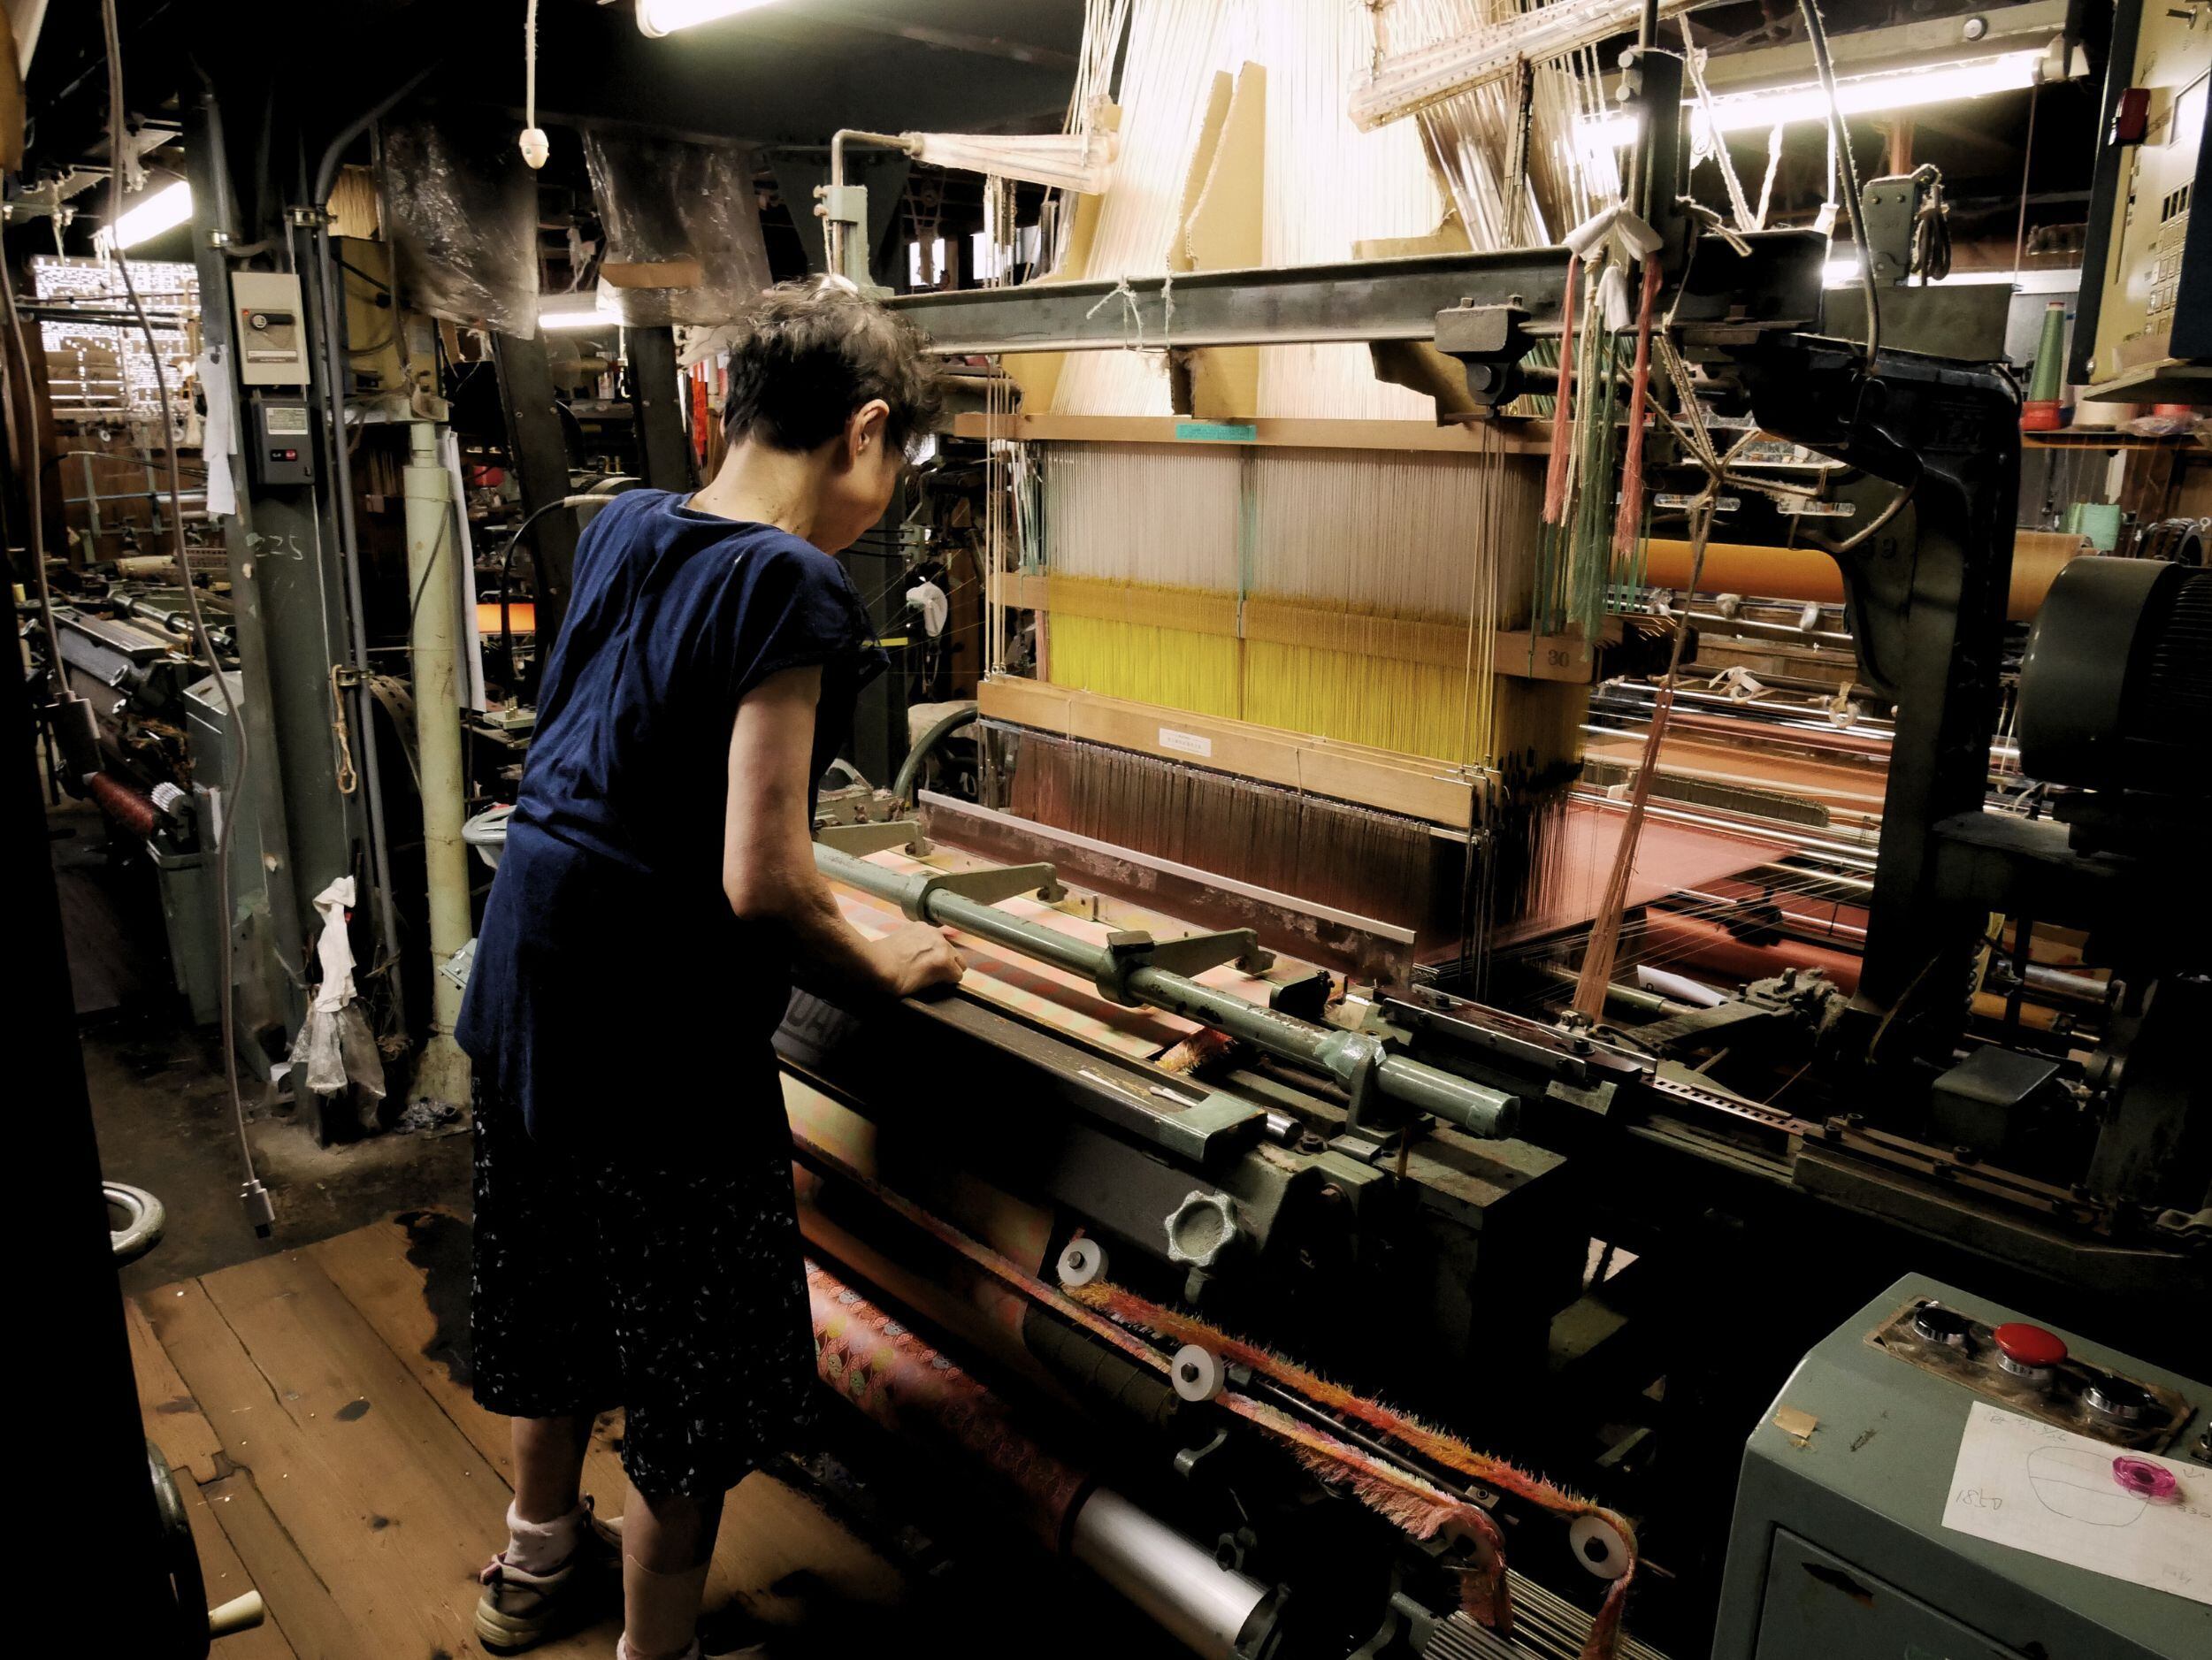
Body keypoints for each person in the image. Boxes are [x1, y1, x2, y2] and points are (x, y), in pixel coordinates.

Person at [457, 278, 966, 1660]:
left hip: (524, 984)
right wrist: (887, 964)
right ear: (864, 430)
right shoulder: (792, 582)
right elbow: (762, 878)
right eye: (898, 463)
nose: (886, 499)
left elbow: (631, 771)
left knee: (556, 1292)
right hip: (651, 1038)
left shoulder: (626, 521)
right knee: (689, 1370)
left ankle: (535, 1562)